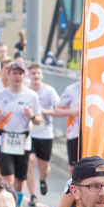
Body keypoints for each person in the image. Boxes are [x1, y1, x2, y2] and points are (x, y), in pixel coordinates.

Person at [0, 61, 45, 207]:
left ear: (24, 76)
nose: (17, 76)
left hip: (22, 141)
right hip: (3, 139)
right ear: (9, 75)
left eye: (20, 73)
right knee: (8, 180)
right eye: (14, 73)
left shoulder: (31, 96)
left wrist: (31, 116)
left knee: (19, 181)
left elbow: (39, 119)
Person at [26, 63, 60, 198]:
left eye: (38, 73)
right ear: (29, 75)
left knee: (43, 165)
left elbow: (59, 109)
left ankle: (42, 179)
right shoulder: (25, 90)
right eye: (33, 73)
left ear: (42, 75)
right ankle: (33, 195)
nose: (36, 76)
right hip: (29, 132)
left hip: (45, 133)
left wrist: (44, 111)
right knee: (30, 161)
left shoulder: (49, 91)